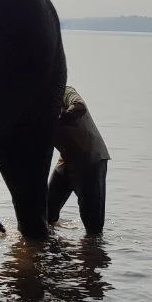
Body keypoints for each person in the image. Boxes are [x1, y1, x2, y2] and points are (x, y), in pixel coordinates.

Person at [47, 84, 110, 233]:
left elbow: (79, 106)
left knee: (93, 226)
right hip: (66, 160)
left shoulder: (65, 91)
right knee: (46, 211)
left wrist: (56, 119)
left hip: (90, 159)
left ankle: (92, 252)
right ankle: (50, 248)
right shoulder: (34, 107)